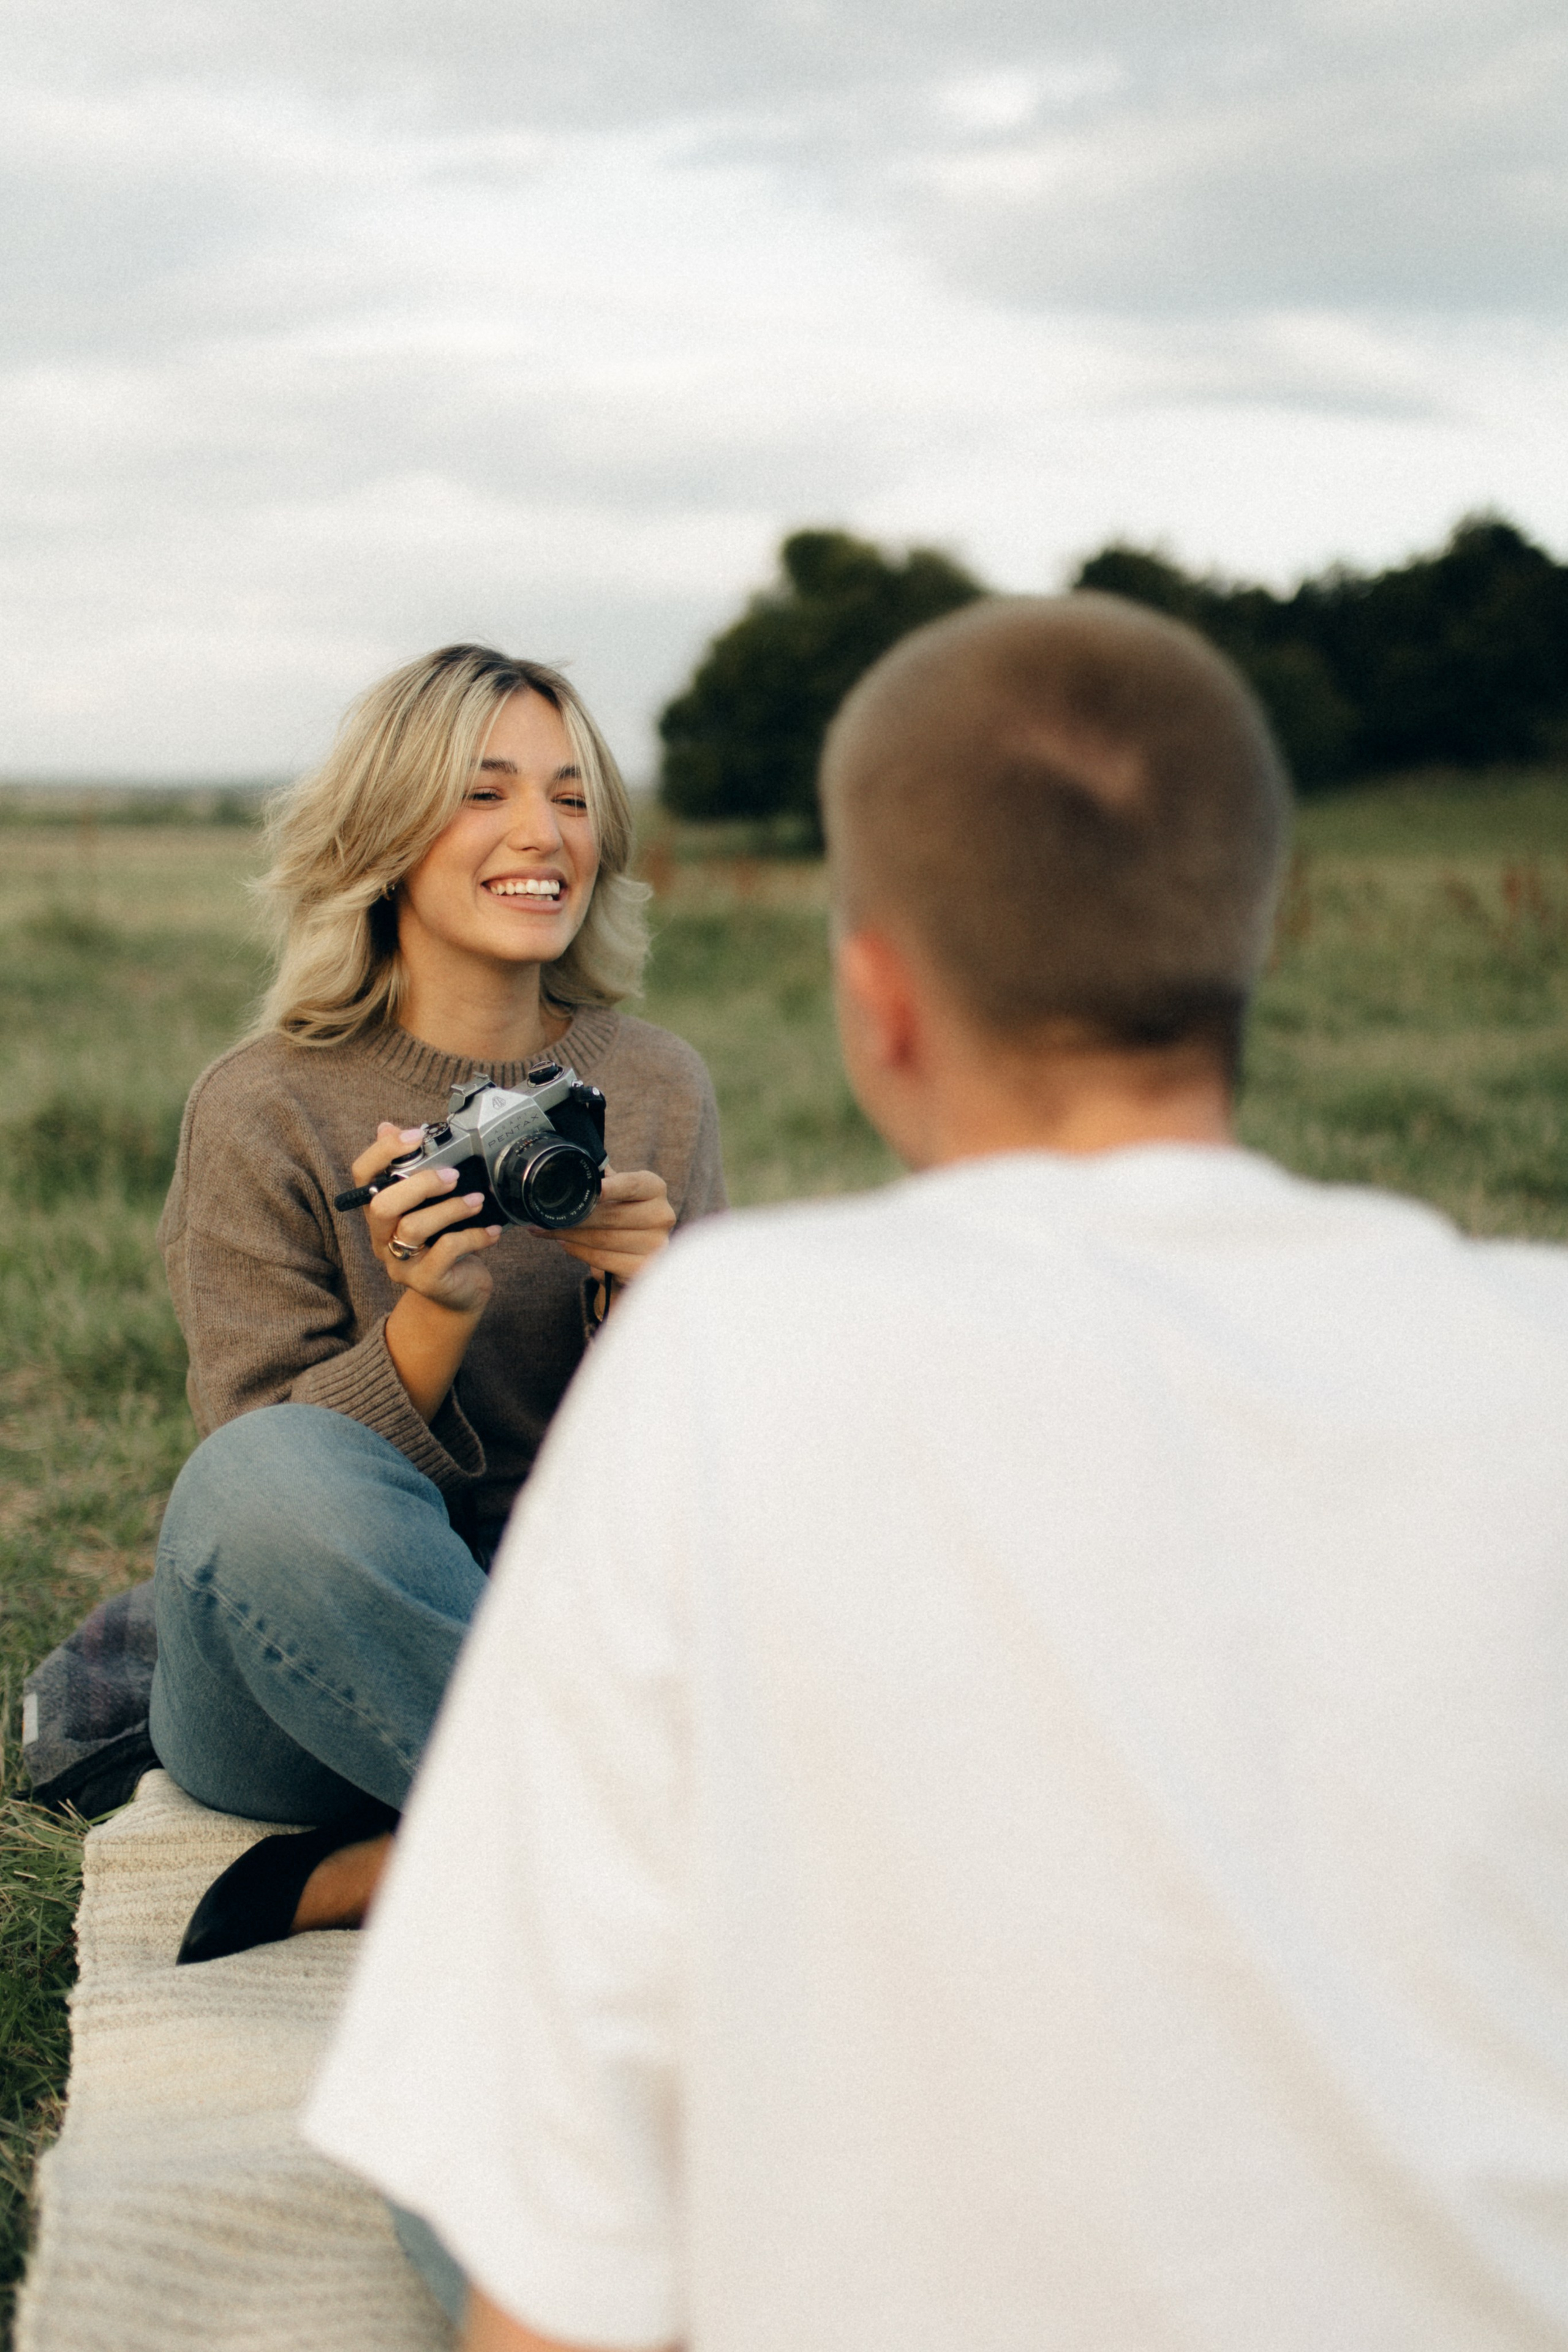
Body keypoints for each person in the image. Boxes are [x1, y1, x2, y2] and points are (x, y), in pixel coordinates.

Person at [307, 595, 1568, 2351]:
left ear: (877, 994)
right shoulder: (1538, 1359)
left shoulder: (729, 1349)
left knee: (474, 2130)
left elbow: (562, 2229)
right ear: (1252, 937)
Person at [150, 643, 725, 1964]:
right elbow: (254, 1488)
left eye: (574, 799)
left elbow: (694, 1475)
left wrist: (642, 1303)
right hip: (298, 1682)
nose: (544, 834)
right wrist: (431, 1316)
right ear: (384, 834)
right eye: (487, 793)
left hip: (566, 1614)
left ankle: (409, 1866)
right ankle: (679, 1837)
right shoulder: (263, 1102)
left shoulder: (653, 1084)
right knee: (266, 1480)